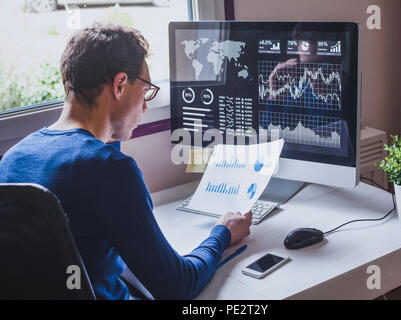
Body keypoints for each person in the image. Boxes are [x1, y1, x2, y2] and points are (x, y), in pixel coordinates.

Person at [0, 24, 252, 300]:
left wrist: (109, 132)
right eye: (145, 91)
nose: (145, 107)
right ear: (119, 85)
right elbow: (177, 286)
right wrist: (222, 233)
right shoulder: (109, 169)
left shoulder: (13, 158)